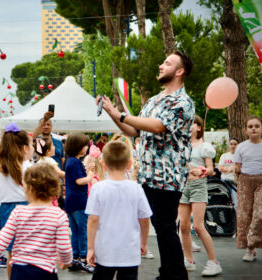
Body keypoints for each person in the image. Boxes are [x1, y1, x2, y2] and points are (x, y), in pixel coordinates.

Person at [99, 50, 194, 280]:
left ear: (179, 71)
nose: (161, 66)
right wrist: (113, 113)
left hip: (168, 176)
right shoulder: (154, 100)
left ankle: (175, 274)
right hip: (147, 175)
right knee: (161, 228)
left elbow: (158, 126)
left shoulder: (182, 102)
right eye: (162, 61)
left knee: (164, 226)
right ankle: (168, 272)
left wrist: (121, 115)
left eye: (167, 63)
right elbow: (134, 130)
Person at [0, 163, 72, 279]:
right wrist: (66, 262)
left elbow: (2, 240)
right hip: (45, 272)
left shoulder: (18, 212)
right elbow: (64, 247)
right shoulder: (59, 215)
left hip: (20, 270)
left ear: (29, 189)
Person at [86, 141, 152, 280]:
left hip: (104, 251)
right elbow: (145, 219)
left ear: (103, 164)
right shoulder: (137, 189)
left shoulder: (98, 189)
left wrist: (91, 247)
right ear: (129, 164)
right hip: (129, 252)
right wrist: (143, 242)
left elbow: (93, 220)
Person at [0, 123, 34, 279]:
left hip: (7, 212)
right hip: (28, 210)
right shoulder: (29, 167)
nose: (32, 149)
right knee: (29, 250)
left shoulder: (0, 169)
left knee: (12, 252)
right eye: (31, 145)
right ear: (24, 148)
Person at [179, 115, 222, 276]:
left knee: (197, 225)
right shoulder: (181, 146)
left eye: (193, 124)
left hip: (198, 185)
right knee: (183, 226)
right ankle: (188, 260)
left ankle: (214, 262)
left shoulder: (205, 146)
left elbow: (211, 168)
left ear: (198, 127)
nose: (189, 126)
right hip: (183, 186)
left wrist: (202, 170)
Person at [64, 133, 95, 273]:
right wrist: (89, 176)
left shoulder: (70, 161)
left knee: (75, 231)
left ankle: (75, 258)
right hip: (79, 201)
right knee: (83, 231)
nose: (87, 147)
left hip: (70, 202)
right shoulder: (75, 162)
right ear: (78, 147)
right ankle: (83, 259)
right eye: (85, 145)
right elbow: (79, 181)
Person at [234, 116, 262, 262]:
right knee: (245, 215)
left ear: (261, 129)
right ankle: (250, 249)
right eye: (250, 126)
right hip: (245, 181)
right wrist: (232, 169)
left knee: (259, 213)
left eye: (257, 126)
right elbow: (238, 166)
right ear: (246, 130)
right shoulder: (241, 147)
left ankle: (252, 242)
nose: (253, 128)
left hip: (261, 181)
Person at [218, 137, 239, 210]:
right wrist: (231, 169)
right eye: (231, 144)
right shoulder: (224, 156)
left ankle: (237, 220)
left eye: (235, 144)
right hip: (224, 181)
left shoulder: (240, 156)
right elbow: (220, 168)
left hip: (234, 182)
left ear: (238, 145)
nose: (233, 146)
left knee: (236, 203)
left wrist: (228, 169)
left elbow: (239, 169)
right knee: (224, 203)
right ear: (229, 145)